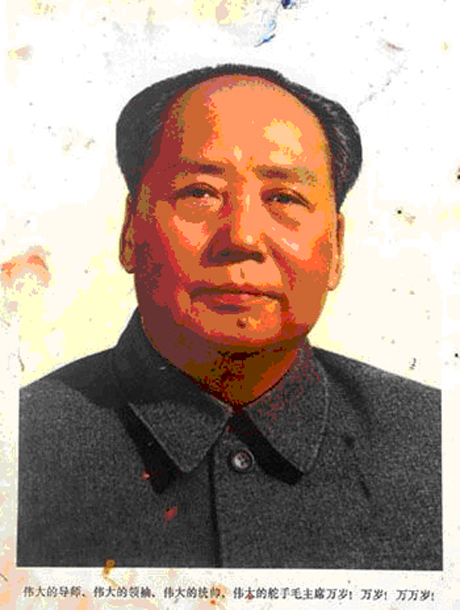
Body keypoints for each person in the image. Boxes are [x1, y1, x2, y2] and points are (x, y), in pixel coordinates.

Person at [17, 64, 442, 569]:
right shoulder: (22, 442)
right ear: (130, 231)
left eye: (284, 198)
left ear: (336, 247)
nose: (241, 237)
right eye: (199, 193)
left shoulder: (436, 444)